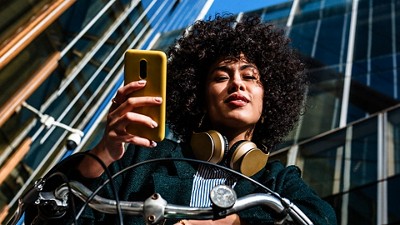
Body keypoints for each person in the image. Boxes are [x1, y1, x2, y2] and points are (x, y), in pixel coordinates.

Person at [26, 15, 337, 225]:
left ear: (269, 99)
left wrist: (237, 222)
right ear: (198, 97)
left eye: (250, 76)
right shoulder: (141, 157)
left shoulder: (276, 181)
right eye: (220, 76)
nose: (237, 84)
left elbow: (319, 217)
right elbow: (46, 212)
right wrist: (104, 153)